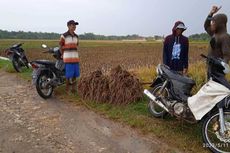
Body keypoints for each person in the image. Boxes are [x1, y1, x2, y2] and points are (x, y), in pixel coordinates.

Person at [204, 6, 230, 78]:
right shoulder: (214, 34)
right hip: (211, 67)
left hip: (218, 71)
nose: (211, 24)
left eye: (213, 22)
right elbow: (206, 26)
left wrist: (221, 68)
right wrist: (211, 13)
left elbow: (226, 55)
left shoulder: (224, 37)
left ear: (220, 24)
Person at [59, 20, 80, 94]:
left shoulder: (76, 36)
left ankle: (74, 90)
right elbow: (60, 46)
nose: (74, 26)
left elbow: (76, 45)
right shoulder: (64, 35)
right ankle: (67, 90)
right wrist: (62, 55)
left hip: (75, 58)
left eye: (75, 25)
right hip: (67, 58)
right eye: (72, 25)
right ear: (68, 26)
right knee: (68, 75)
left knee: (75, 75)